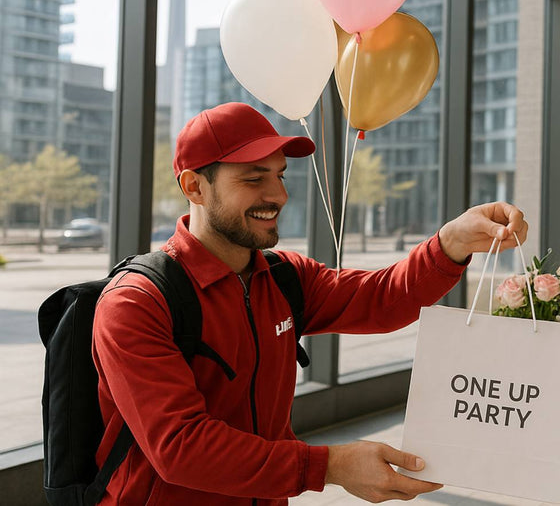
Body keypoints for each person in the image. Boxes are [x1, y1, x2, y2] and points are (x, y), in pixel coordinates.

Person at [92, 102, 528, 505]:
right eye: (253, 177)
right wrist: (330, 466)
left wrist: (449, 244)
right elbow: (181, 448)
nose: (278, 195)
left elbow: (381, 299)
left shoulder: (284, 277)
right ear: (194, 186)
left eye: (279, 175)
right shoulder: (138, 302)